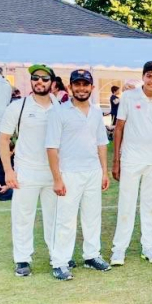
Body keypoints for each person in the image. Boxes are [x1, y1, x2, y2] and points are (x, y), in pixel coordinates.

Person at [45, 69, 111, 281]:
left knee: (92, 216)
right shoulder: (59, 112)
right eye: (77, 84)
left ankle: (91, 255)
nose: (81, 88)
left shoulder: (95, 112)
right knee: (65, 219)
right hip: (69, 173)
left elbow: (101, 144)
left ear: (91, 87)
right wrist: (57, 178)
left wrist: (104, 172)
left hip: (92, 171)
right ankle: (60, 261)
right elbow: (51, 147)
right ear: (71, 87)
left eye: (85, 84)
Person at [0, 64, 60, 278]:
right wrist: (8, 171)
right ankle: (22, 258)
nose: (39, 82)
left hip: (53, 173)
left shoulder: (60, 105)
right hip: (26, 171)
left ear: (52, 83)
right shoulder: (19, 106)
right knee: (23, 216)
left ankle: (57, 256)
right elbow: (4, 139)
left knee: (55, 217)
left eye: (44, 79)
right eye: (35, 78)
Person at [111, 61, 152, 266]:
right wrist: (116, 160)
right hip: (130, 159)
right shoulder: (129, 97)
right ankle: (119, 249)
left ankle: (148, 245)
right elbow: (119, 128)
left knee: (150, 205)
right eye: (149, 76)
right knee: (126, 204)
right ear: (143, 77)